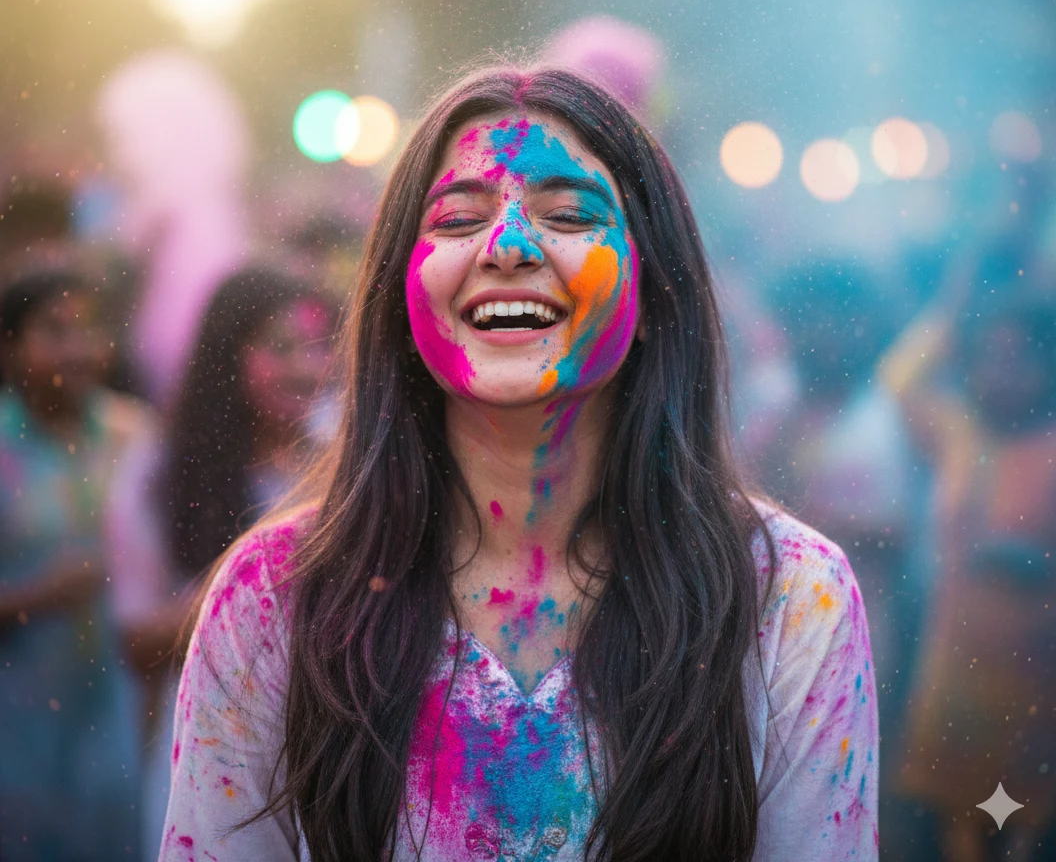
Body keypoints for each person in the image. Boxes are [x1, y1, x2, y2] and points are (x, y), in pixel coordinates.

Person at [161, 67, 878, 861]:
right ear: (402, 291)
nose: (507, 247)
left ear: (654, 289)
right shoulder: (275, 599)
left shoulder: (789, 598)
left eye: (569, 214)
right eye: (460, 219)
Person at [102, 266, 339, 859]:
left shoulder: (347, 464)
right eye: (282, 347)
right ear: (228, 354)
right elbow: (136, 643)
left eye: (320, 345)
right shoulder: (162, 473)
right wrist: (244, 582)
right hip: (215, 752)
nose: (308, 367)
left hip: (331, 754)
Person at [884, 289, 1056, 862]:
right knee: (953, 829)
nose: (1000, 372)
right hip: (953, 670)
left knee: (1019, 832)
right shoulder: (961, 434)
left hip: (1034, 680)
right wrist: (957, 303)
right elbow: (900, 377)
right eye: (989, 356)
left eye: (1018, 357)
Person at [0, 269, 150, 860]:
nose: (78, 348)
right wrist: (37, 596)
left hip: (118, 715)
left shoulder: (135, 436)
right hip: (16, 720)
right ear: (9, 347)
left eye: (89, 329)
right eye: (55, 331)